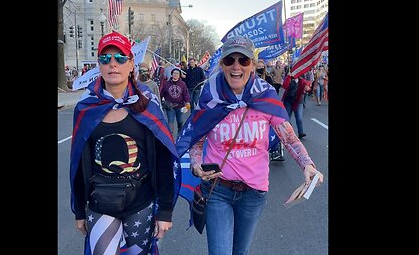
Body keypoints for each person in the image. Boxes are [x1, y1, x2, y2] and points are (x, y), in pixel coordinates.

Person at [175, 35, 324, 255]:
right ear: (222, 65)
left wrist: (307, 165)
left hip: (254, 193)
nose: (236, 67)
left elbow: (289, 138)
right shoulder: (210, 95)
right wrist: (196, 165)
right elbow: (198, 138)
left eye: (243, 61)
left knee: (240, 252)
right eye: (229, 60)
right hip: (218, 189)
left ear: (252, 65)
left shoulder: (266, 95)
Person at [69, 32, 182, 255]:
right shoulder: (85, 109)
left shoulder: (147, 107)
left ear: (131, 64)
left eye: (120, 58)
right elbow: (78, 164)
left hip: (140, 203)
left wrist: (165, 210)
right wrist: (79, 211)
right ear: (99, 65)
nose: (113, 64)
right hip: (99, 203)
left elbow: (162, 160)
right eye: (105, 59)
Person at [160, 68, 191, 137]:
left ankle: (180, 135)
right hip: (169, 106)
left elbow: (185, 94)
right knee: (170, 122)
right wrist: (159, 101)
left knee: (180, 121)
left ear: (179, 75)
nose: (175, 75)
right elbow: (162, 93)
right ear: (172, 74)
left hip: (180, 106)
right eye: (174, 73)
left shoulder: (182, 84)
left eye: (177, 73)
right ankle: (170, 137)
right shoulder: (166, 84)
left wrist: (188, 102)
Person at [281, 73, 312, 138]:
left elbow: (309, 89)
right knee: (287, 118)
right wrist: (289, 76)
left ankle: (301, 132)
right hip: (288, 100)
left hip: (298, 101)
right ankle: (290, 132)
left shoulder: (302, 81)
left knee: (299, 117)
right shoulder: (289, 78)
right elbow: (285, 86)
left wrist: (308, 88)